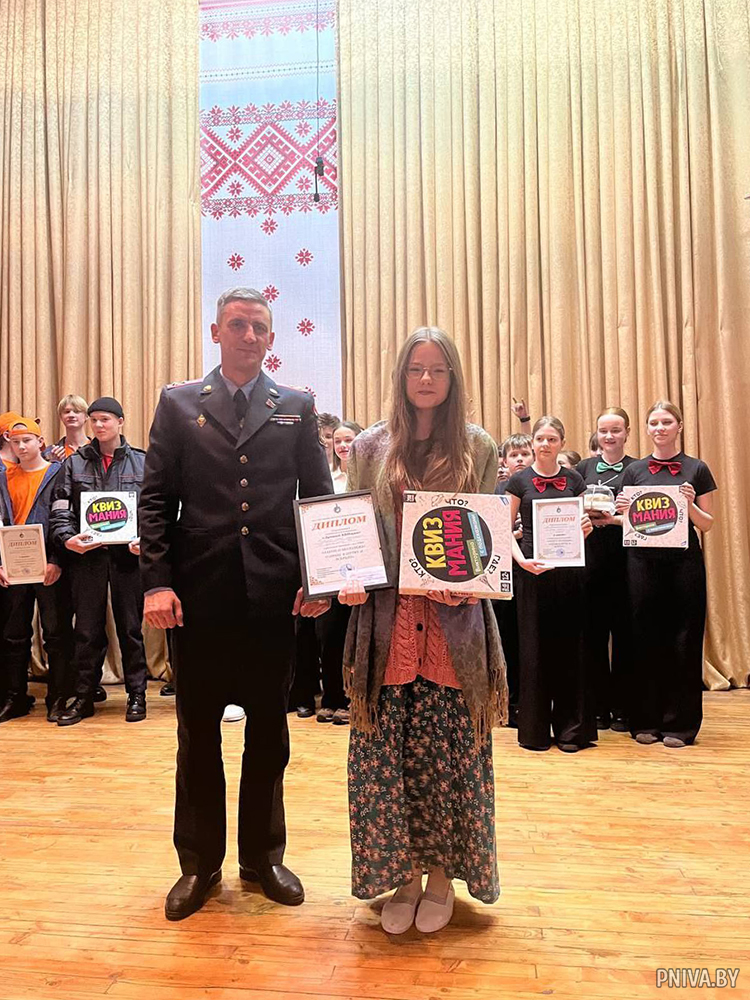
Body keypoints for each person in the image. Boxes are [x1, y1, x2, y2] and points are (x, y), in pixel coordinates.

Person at [139, 286, 333, 921]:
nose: (249, 335)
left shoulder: (296, 407)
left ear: (272, 338)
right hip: (198, 599)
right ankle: (199, 864)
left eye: (259, 327)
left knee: (269, 733)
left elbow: (318, 499)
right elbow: (155, 500)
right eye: (238, 324)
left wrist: (320, 577)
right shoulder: (178, 404)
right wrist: (156, 582)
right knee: (197, 734)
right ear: (216, 332)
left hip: (274, 598)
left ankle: (262, 857)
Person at [339, 326, 507, 937]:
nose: (427, 379)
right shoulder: (369, 446)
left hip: (453, 629)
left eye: (438, 369)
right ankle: (403, 878)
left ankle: (440, 879)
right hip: (386, 627)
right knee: (386, 762)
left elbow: (485, 535)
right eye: (416, 369)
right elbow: (352, 527)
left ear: (453, 377)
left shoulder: (478, 446)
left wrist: (469, 582)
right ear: (401, 376)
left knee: (449, 761)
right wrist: (347, 578)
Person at [616, 401, 716, 748]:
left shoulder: (697, 468)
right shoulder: (634, 471)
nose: (660, 428)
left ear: (679, 426)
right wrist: (622, 511)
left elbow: (708, 524)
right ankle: (646, 720)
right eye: (654, 423)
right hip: (642, 564)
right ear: (647, 429)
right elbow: (625, 522)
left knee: (684, 641)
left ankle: (681, 725)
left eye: (666, 422)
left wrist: (689, 505)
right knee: (644, 639)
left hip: (684, 565)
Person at [50, 397, 149, 726]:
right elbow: (60, 509)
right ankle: (84, 695)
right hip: (87, 558)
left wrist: (146, 541)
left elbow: (155, 510)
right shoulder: (74, 463)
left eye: (105, 419)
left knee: (131, 629)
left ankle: (137, 694)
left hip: (128, 559)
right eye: (94, 420)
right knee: (87, 630)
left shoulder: (142, 462)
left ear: (120, 421)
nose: (98, 425)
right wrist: (67, 539)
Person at [505, 416, 595, 753]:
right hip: (533, 574)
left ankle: (572, 732)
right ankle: (535, 732)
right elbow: (503, 529)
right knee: (534, 652)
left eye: (552, 439)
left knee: (571, 650)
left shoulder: (574, 479)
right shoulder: (518, 481)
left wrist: (585, 529)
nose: (545, 444)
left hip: (570, 575)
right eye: (540, 438)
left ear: (561, 443)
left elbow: (583, 524)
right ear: (533, 442)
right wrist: (521, 561)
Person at [0, 419, 73, 723]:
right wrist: (1, 563)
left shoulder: (57, 473)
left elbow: (64, 517)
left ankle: (58, 697)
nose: (21, 446)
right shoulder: (3, 476)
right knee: (14, 634)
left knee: (56, 633)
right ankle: (16, 697)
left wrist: (57, 560)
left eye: (27, 440)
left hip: (48, 566)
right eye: (16, 442)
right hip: (14, 566)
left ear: (40, 442)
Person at [577, 408, 636, 732]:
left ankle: (624, 708)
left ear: (627, 433)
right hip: (589, 561)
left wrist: (614, 520)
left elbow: (644, 521)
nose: (609, 436)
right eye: (604, 431)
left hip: (627, 562)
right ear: (597, 434)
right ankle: (597, 708)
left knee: (625, 637)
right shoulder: (582, 469)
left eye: (616, 430)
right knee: (592, 637)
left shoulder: (638, 469)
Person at [493, 434, 533, 728]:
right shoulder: (494, 491)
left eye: (524, 454)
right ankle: (505, 703)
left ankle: (527, 703)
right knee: (505, 638)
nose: (519, 459)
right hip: (501, 575)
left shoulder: (539, 487)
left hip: (532, 574)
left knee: (528, 639)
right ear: (504, 462)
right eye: (513, 455)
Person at [43, 395, 90, 462]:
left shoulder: (98, 450)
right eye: (67, 412)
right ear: (61, 417)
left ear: (86, 416)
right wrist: (54, 464)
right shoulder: (49, 452)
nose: (71, 415)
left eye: (76, 411)